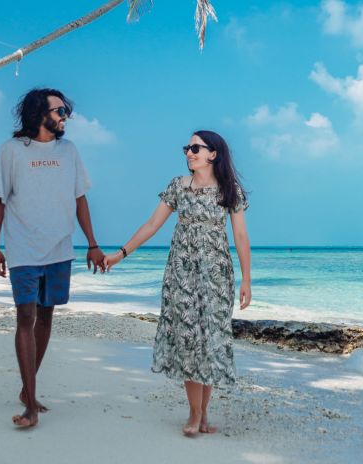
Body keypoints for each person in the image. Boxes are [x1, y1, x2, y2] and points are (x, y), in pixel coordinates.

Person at [104, 130, 251, 436]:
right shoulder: (178, 186)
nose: (189, 152)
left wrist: (247, 279)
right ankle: (195, 414)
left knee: (210, 340)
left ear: (213, 153)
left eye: (196, 147)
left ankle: (203, 414)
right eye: (187, 147)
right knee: (187, 339)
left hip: (216, 274)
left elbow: (240, 236)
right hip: (181, 273)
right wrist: (121, 254)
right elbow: (152, 224)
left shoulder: (229, 190)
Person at [0, 88, 106, 428]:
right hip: (23, 247)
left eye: (65, 109)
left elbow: (80, 199)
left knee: (46, 317)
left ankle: (28, 390)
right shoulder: (11, 150)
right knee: (25, 317)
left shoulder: (69, 151)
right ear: (39, 113)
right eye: (59, 110)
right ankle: (30, 403)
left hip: (59, 249)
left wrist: (93, 244)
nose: (64, 115)